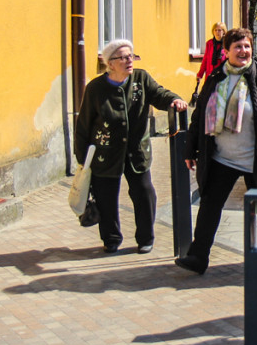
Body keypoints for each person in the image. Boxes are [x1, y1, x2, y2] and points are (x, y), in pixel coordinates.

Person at [176, 28, 257, 274]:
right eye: (238, 47)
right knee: (209, 206)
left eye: (247, 46)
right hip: (222, 157)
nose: (243, 51)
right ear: (226, 50)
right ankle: (198, 257)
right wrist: (191, 148)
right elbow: (199, 116)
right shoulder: (216, 77)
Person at [75, 39, 187, 254]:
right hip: (104, 154)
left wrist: (174, 100)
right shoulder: (96, 89)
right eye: (123, 57)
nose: (129, 61)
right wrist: (82, 160)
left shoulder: (141, 78)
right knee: (106, 197)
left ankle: (145, 237)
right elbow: (84, 126)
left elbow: (159, 94)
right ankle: (111, 238)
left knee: (144, 193)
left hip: (136, 152)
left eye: (131, 56)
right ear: (110, 64)